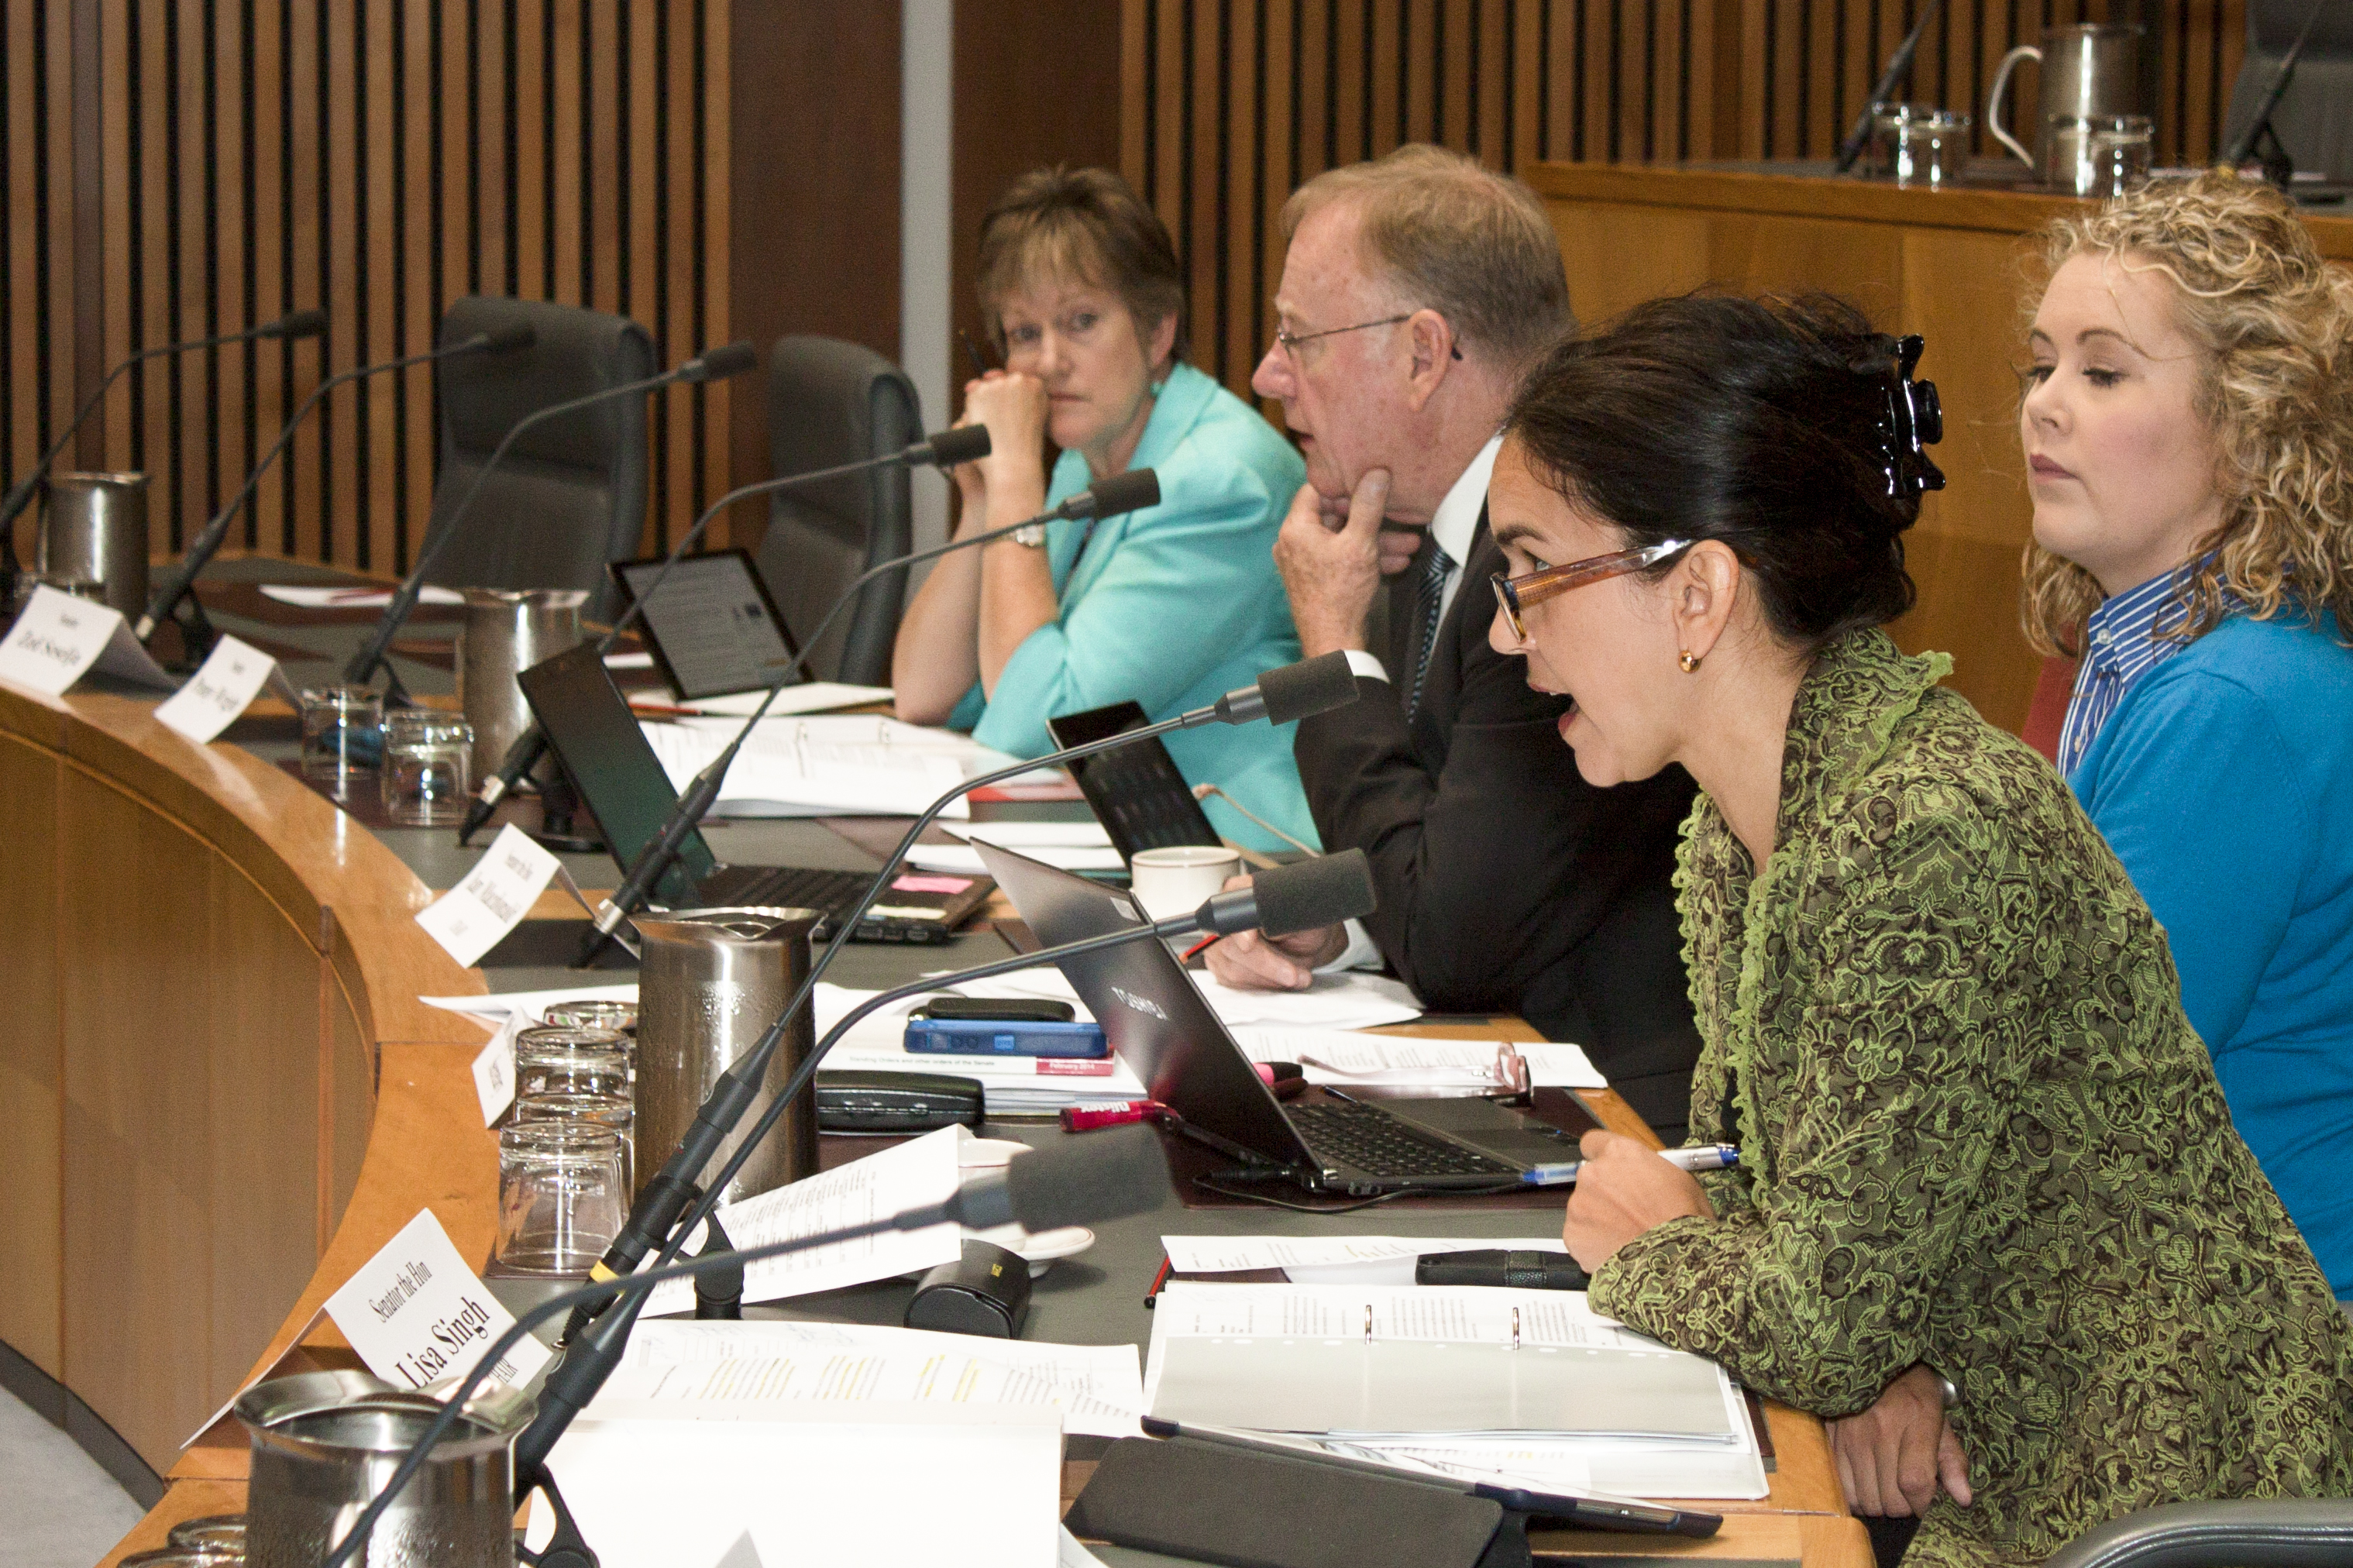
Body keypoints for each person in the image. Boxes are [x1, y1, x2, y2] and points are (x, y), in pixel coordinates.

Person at [1491, 290, 2353, 1567]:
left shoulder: (1921, 826)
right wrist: (1865, 1345)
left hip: (2149, 1494)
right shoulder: (1741, 830)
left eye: (1533, 575)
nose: (1510, 632)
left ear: (1698, 593)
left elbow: (1807, 1301)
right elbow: (1811, 1231)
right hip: (1989, 1451)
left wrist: (1670, 1244)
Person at [1207, 145, 1701, 1134]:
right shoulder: (1428, 531)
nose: (1266, 375)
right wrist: (1334, 921)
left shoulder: (1563, 564)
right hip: (1506, 1072)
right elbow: (1441, 848)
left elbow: (1449, 940)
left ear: (1424, 354)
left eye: (1297, 338)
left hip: (1615, 1123)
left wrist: (1331, 647)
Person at [2022, 171, 2353, 1297]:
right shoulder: (2155, 658)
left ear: (2252, 427)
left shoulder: (2235, 704)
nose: (2044, 402)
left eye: (2102, 370)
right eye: (2043, 362)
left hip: (2267, 1351)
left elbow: (2076, 1099)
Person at [892, 166, 1313, 851]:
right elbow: (922, 691)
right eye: (1024, 334)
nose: (1049, 362)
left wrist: (1016, 485)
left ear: (1155, 334)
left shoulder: (1218, 484)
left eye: (1080, 322)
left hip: (1238, 866)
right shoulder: (1082, 456)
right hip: (1107, 838)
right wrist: (982, 502)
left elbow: (1041, 726)